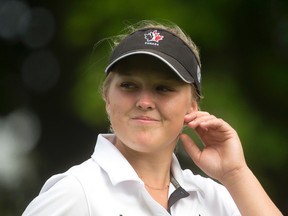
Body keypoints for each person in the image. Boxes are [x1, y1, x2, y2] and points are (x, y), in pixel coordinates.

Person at [22, 20, 283, 216]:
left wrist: (236, 174)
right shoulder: (77, 192)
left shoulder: (215, 197)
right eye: (129, 86)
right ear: (107, 96)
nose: (144, 102)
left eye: (163, 88)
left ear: (192, 107)